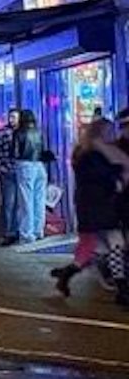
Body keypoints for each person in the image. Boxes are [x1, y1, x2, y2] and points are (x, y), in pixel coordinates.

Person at [50, 119, 129, 302]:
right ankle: (122, 288)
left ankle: (67, 274)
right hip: (98, 204)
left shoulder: (85, 152)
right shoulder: (92, 154)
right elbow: (104, 175)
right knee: (114, 243)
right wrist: (116, 179)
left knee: (95, 248)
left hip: (91, 205)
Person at [11, 108, 49, 244]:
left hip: (25, 165)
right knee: (39, 199)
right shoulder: (38, 132)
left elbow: (14, 152)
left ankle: (27, 233)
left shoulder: (18, 132)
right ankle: (39, 230)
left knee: (26, 201)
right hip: (39, 165)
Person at [0, 109, 20, 244]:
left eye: (14, 117)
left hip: (18, 171)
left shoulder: (20, 133)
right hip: (8, 171)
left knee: (15, 203)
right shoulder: (3, 133)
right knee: (8, 202)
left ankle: (14, 230)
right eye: (11, 117)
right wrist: (1, 165)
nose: (12, 119)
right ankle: (8, 231)